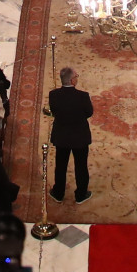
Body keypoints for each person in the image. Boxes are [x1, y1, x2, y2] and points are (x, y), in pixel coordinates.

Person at [48, 66, 93, 202]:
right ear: (72, 80)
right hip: (80, 137)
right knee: (81, 166)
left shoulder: (53, 95)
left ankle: (58, 193)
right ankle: (81, 195)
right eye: (76, 76)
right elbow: (89, 112)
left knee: (61, 165)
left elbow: (54, 111)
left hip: (61, 136)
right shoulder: (83, 96)